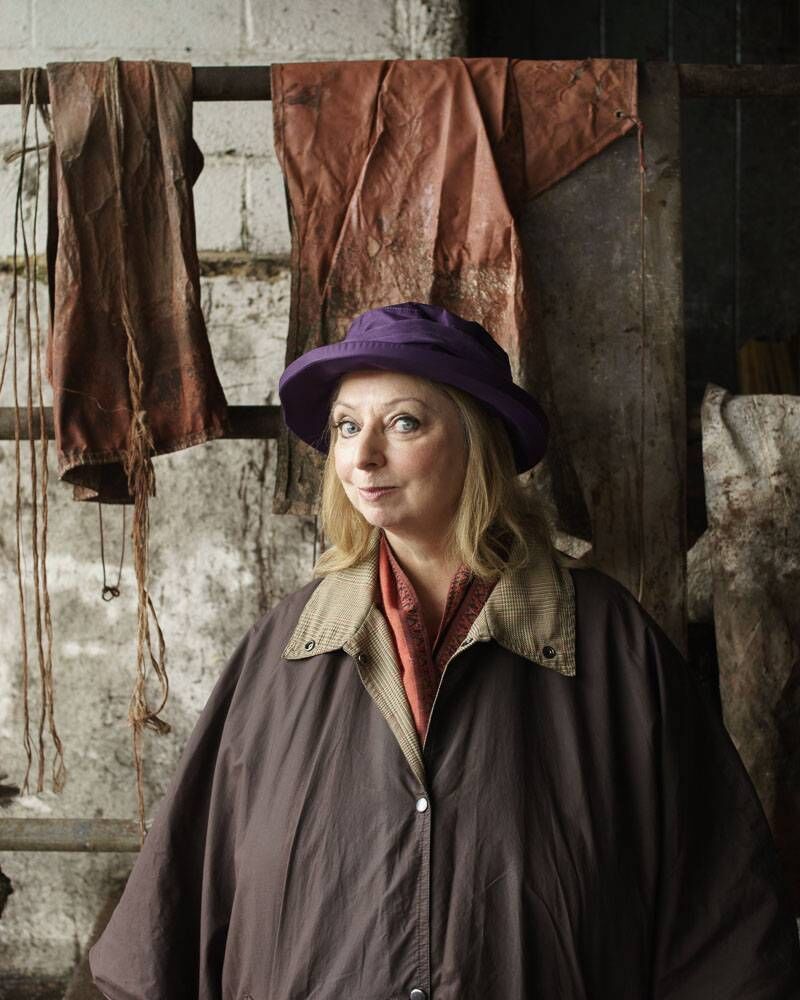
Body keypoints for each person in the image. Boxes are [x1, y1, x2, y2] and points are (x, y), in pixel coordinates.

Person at [89, 302, 800, 999]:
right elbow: (166, 921)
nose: (363, 456)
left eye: (404, 422)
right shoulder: (284, 646)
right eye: (345, 426)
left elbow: (724, 920)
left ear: (477, 440)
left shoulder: (610, 640)